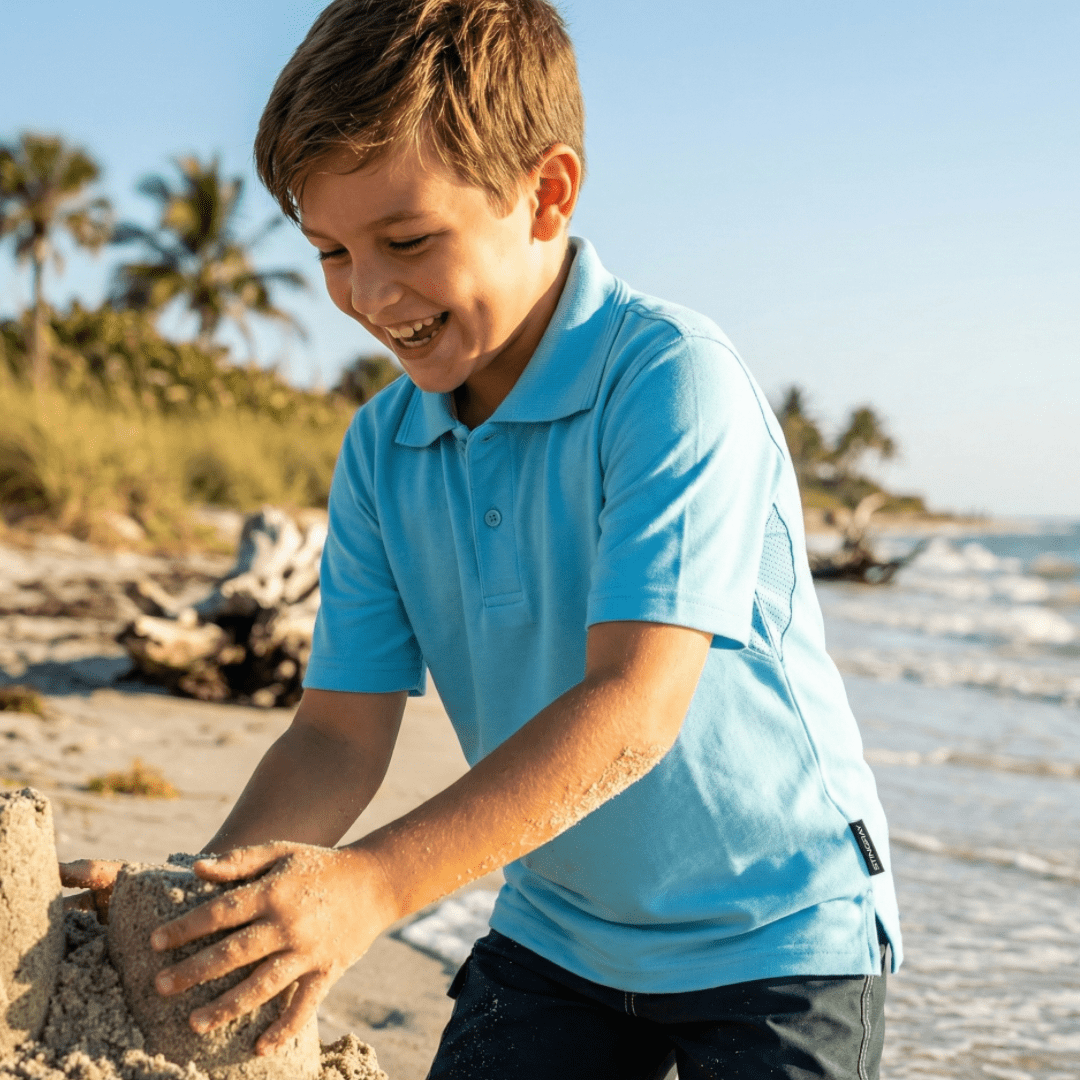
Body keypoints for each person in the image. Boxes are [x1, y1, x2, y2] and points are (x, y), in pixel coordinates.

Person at [63, 1, 902, 1076]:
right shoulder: (383, 446)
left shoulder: (670, 382)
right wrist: (200, 903)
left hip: (780, 939)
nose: (368, 294)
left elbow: (634, 712)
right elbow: (336, 737)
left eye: (407, 241)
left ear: (546, 194)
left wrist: (370, 886)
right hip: (560, 932)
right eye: (331, 250)